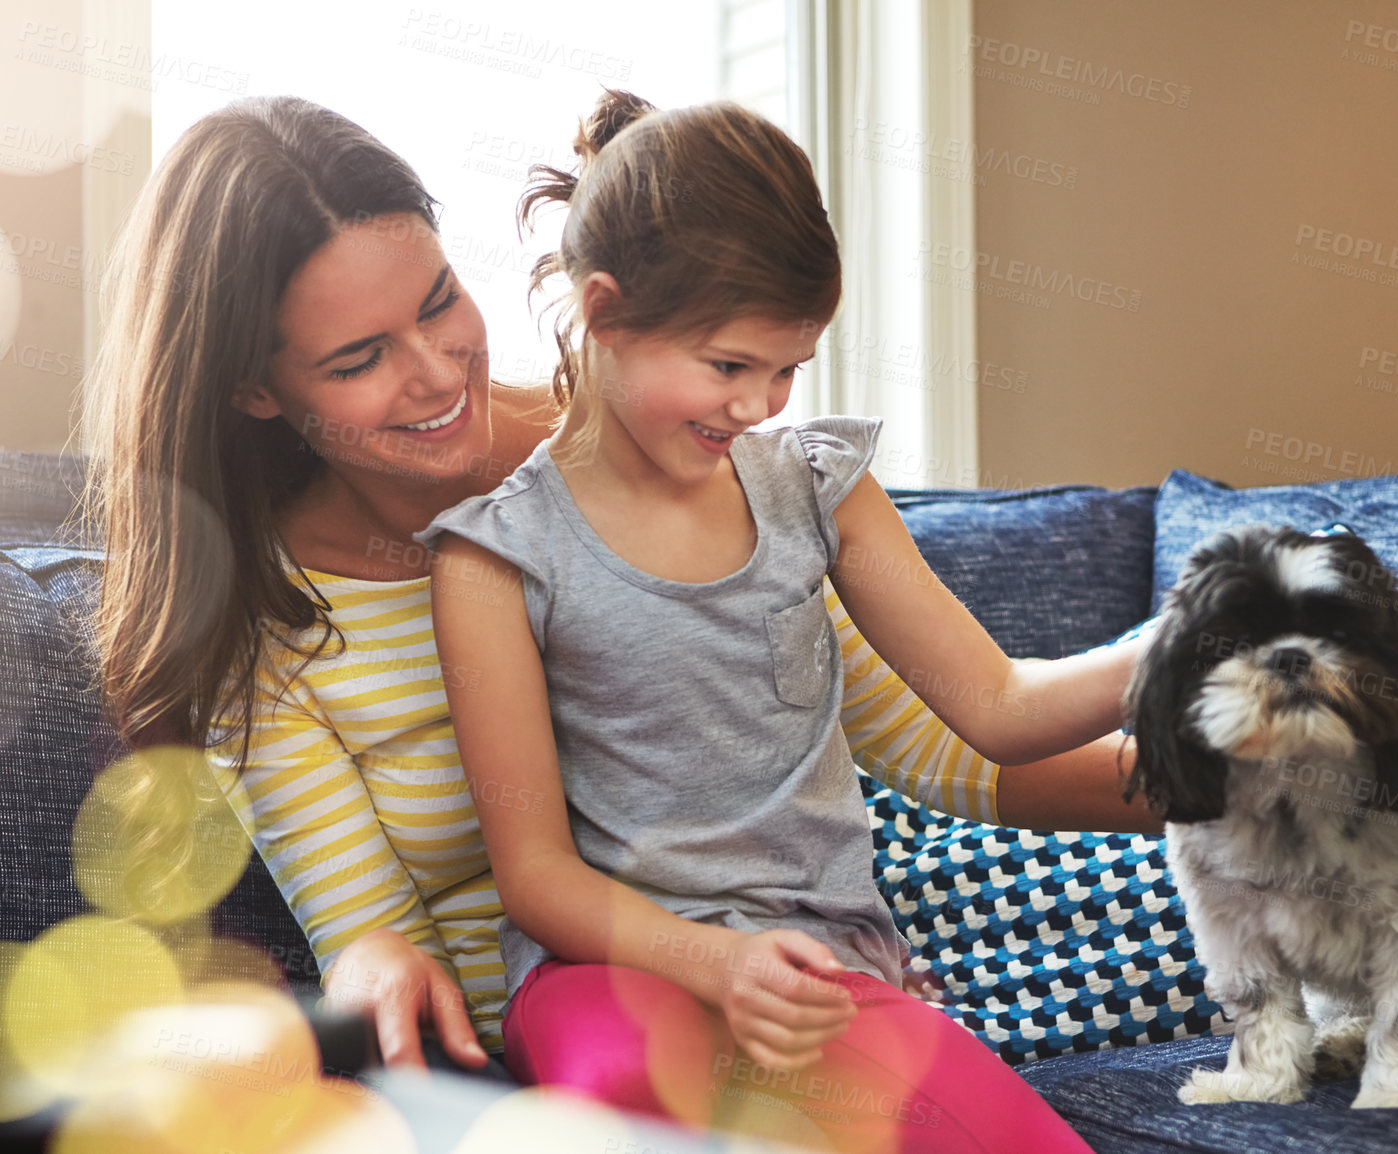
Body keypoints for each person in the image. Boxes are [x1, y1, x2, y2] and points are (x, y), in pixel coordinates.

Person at [77, 94, 1163, 1086]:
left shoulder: (661, 450)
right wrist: (372, 977)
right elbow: (369, 925)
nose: (437, 371)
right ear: (255, 390)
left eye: (440, 301)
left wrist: (1234, 769)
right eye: (359, 357)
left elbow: (936, 741)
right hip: (576, 1043)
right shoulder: (262, 623)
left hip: (787, 971)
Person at [416, 88, 1142, 1151]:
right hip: (606, 974)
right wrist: (716, 962)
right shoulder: (495, 557)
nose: (760, 404)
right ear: (605, 313)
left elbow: (996, 706)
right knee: (631, 1086)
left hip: (818, 971)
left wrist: (1165, 654)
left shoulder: (819, 488)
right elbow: (535, 876)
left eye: (788, 367)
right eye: (727, 365)